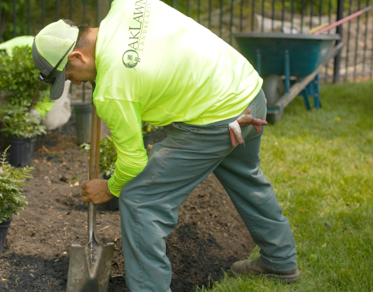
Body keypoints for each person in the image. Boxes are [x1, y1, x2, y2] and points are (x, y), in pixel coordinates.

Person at [32, 1, 299, 290]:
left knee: (140, 201)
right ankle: (280, 261)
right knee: (246, 179)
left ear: (77, 56)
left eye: (68, 76)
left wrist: (109, 187)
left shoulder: (113, 88)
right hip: (247, 92)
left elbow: (134, 162)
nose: (76, 82)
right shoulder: (127, 5)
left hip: (218, 118)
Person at [0, 36, 71, 134]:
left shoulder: (31, 57)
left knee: (49, 123)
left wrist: (37, 112)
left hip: (57, 75)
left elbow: (49, 86)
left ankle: (64, 102)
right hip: (32, 80)